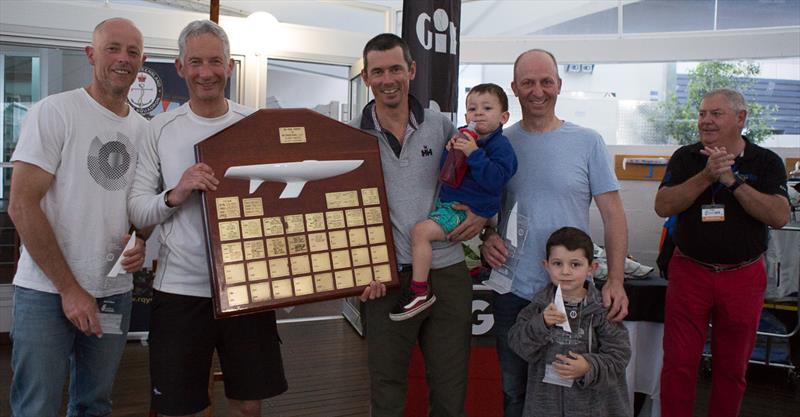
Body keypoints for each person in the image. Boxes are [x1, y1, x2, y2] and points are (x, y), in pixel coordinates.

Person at [128, 20, 287, 417]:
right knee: (183, 408)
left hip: (249, 288)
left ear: (230, 66)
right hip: (181, 291)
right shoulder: (159, 129)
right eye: (195, 62)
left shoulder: (256, 125)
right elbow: (138, 208)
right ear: (180, 67)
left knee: (249, 403)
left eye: (215, 61)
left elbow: (284, 203)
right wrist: (177, 192)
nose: (206, 72)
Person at [7, 17, 147, 417]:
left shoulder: (144, 130)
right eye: (113, 48)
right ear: (91, 54)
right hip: (45, 293)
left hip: (114, 293)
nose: (123, 59)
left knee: (94, 403)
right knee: (38, 406)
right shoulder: (55, 112)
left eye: (132, 52)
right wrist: (70, 289)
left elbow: (138, 208)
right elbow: (21, 205)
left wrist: (141, 240)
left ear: (142, 63)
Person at [479, 49, 629, 417]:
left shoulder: (588, 142)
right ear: (514, 88)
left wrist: (616, 280)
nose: (537, 90)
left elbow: (614, 216)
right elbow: (480, 208)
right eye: (527, 82)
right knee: (515, 392)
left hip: (573, 293)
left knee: (574, 392)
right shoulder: (497, 145)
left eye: (546, 81)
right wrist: (486, 237)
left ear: (559, 85)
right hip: (514, 291)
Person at [351, 33, 487, 416]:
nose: (387, 79)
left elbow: (476, 178)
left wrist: (482, 217)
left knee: (449, 385)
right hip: (386, 279)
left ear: (411, 70)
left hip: (446, 273)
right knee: (387, 385)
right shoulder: (351, 135)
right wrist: (360, 269)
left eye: (396, 68)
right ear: (366, 77)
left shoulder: (441, 125)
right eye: (378, 72)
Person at [655, 88, 790, 417]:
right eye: (702, 114)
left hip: (742, 277)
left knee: (732, 370)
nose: (706, 120)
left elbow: (779, 215)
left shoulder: (766, 162)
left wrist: (732, 182)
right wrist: (706, 176)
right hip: (690, 272)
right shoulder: (686, 158)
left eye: (715, 113)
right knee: (678, 365)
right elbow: (663, 205)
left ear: (740, 119)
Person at [391, 83, 517, 321]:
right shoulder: (461, 135)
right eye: (472, 108)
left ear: (503, 117)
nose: (478, 113)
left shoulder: (502, 147)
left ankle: (419, 291)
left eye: (487, 108)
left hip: (464, 210)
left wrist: (473, 153)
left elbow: (496, 181)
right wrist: (452, 151)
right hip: (449, 203)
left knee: (420, 233)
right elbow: (446, 174)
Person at [508, 227, 630, 417]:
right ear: (546, 265)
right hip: (545, 407)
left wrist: (588, 367)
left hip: (593, 408)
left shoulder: (602, 310)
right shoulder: (539, 308)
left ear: (591, 268)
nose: (565, 271)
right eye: (558, 263)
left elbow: (620, 355)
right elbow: (518, 344)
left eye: (575, 264)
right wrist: (541, 324)